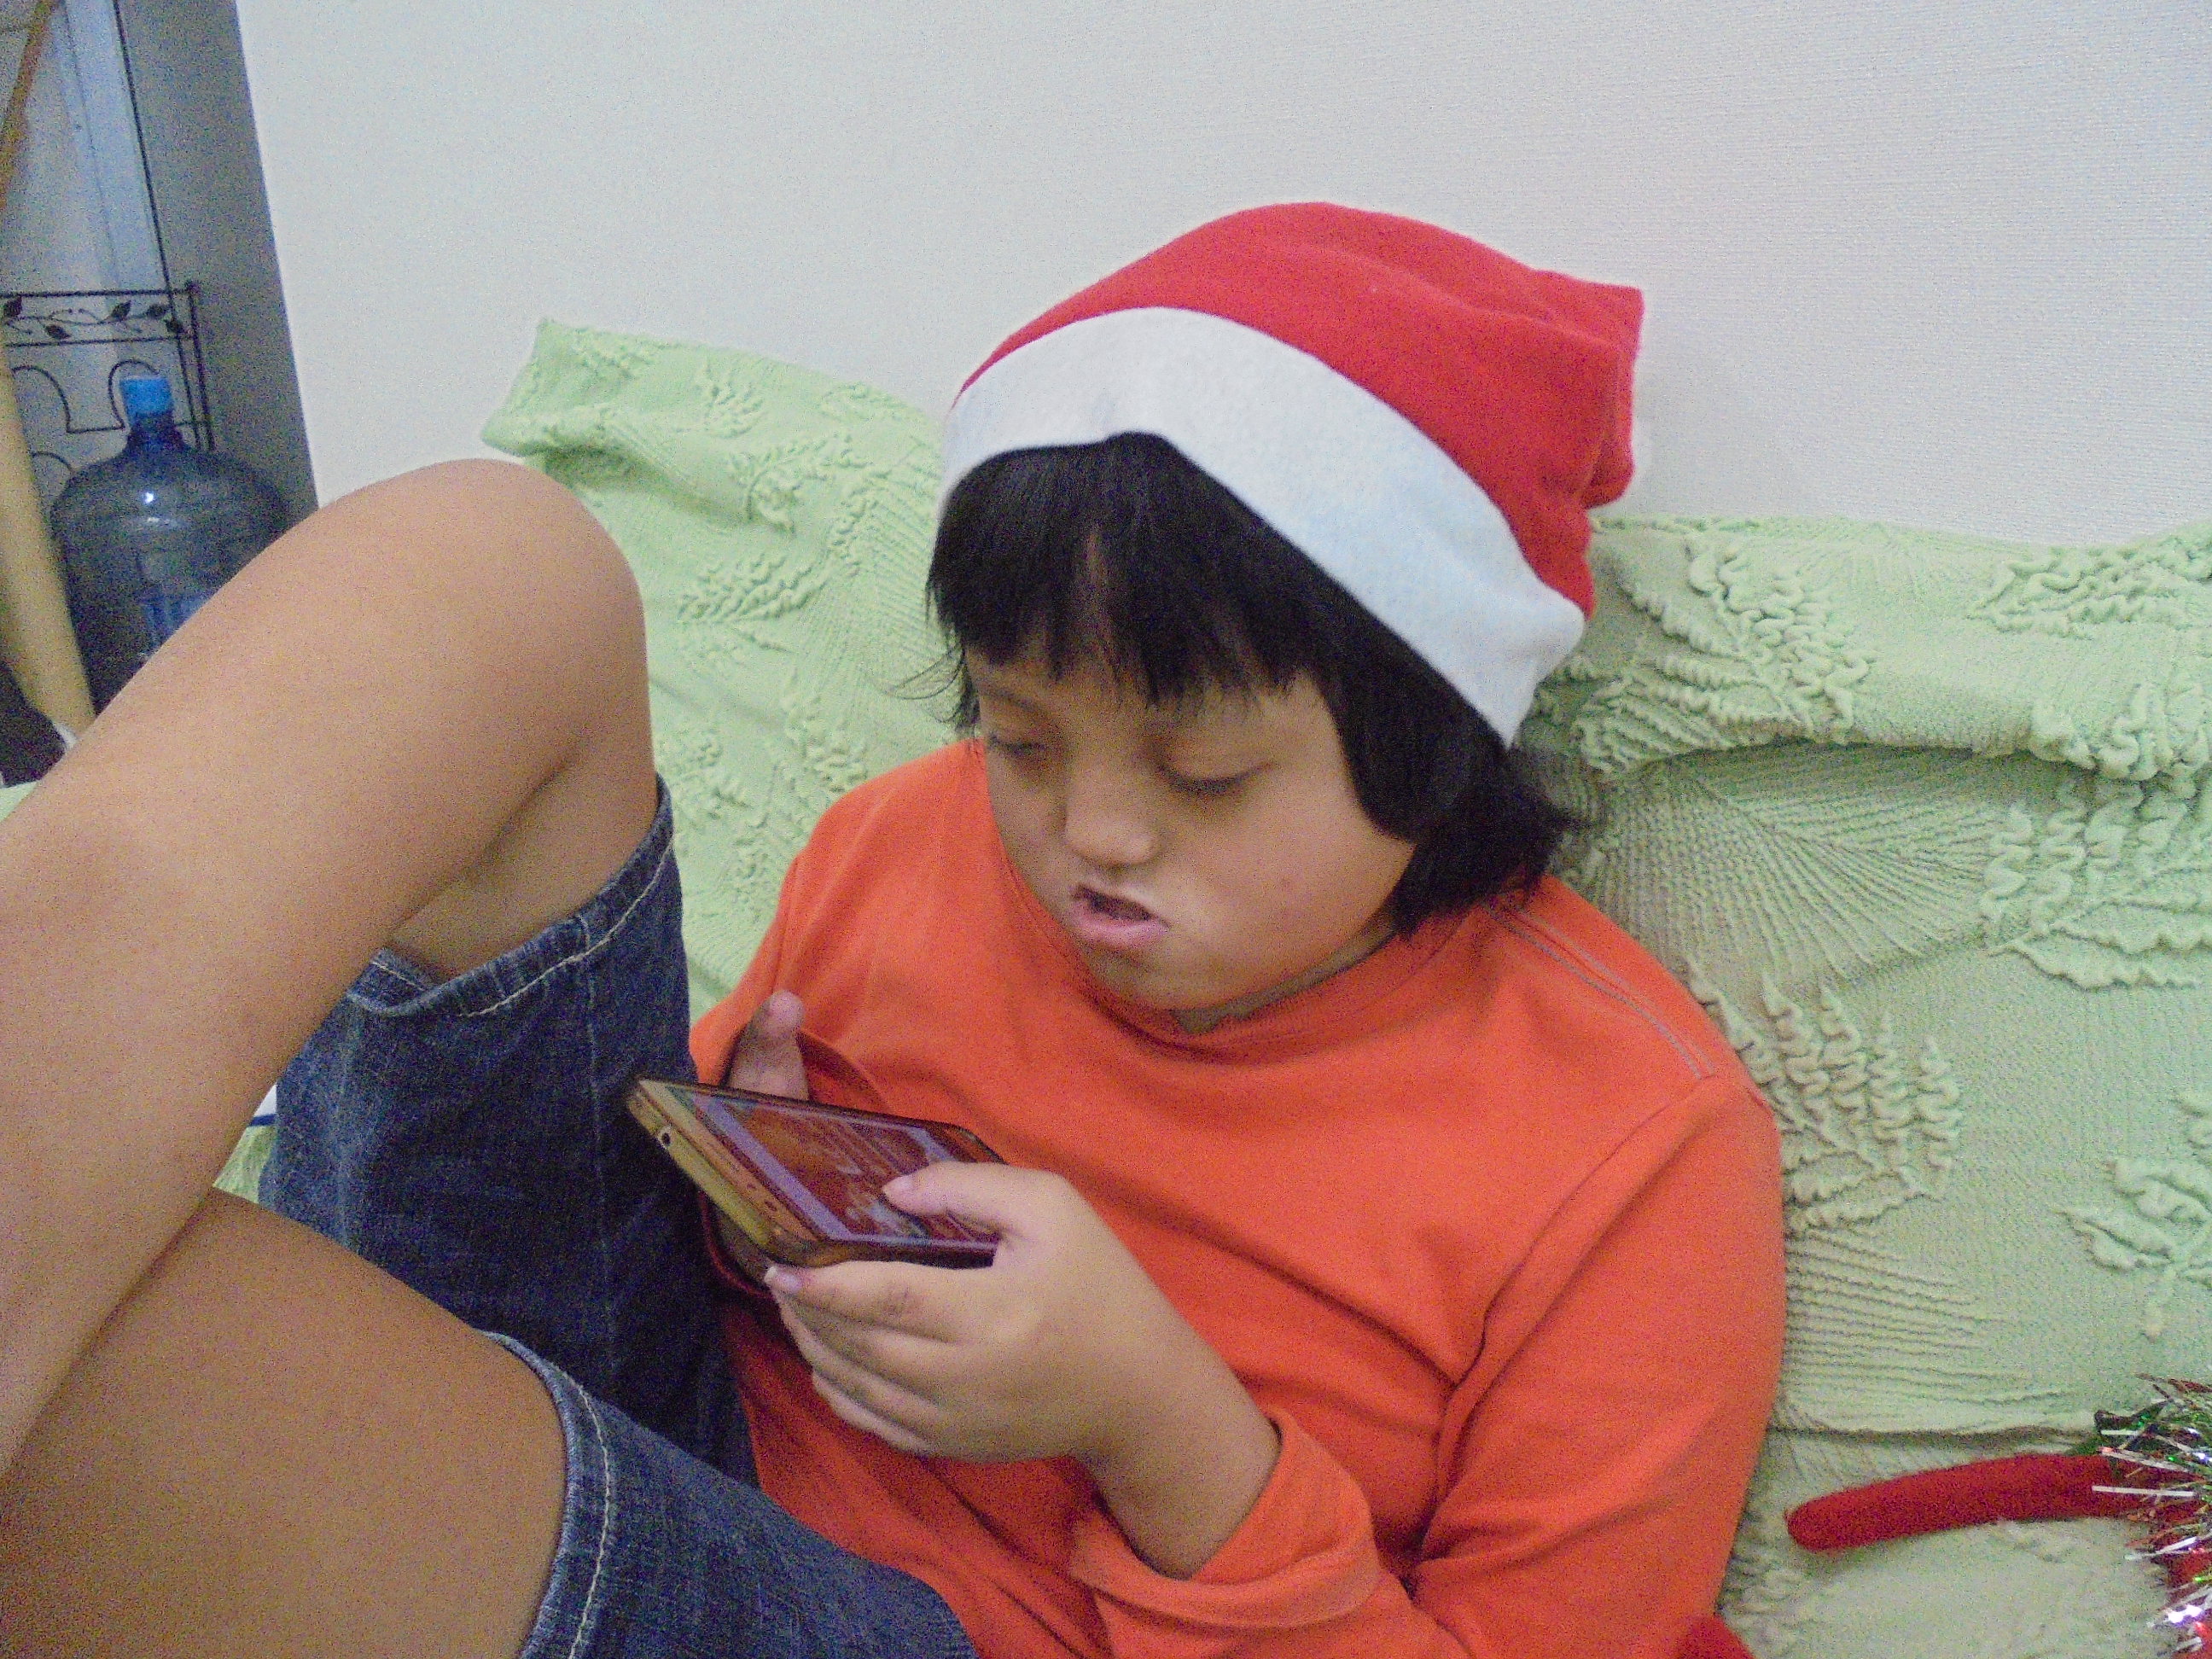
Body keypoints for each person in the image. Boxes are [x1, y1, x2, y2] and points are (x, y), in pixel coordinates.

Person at [0, 205, 1784, 1658]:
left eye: (1206, 775)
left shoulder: (1633, 1157)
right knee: (491, 558)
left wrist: (1158, 1427)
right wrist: (746, 1191)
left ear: (1437, 744)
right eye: (1021, 735)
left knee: (139, 1366)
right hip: (668, 1428)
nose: (1088, 834)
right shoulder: (919, 840)